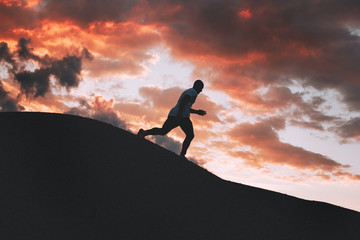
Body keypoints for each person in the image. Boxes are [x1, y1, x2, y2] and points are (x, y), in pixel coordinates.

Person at [137, 80, 206, 157]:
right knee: (190, 135)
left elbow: (186, 107)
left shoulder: (191, 92)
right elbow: (183, 102)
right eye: (201, 88)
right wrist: (179, 116)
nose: (201, 90)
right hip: (180, 116)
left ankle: (144, 132)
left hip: (177, 115)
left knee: (163, 131)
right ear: (197, 86)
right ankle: (182, 155)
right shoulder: (193, 92)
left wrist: (197, 112)